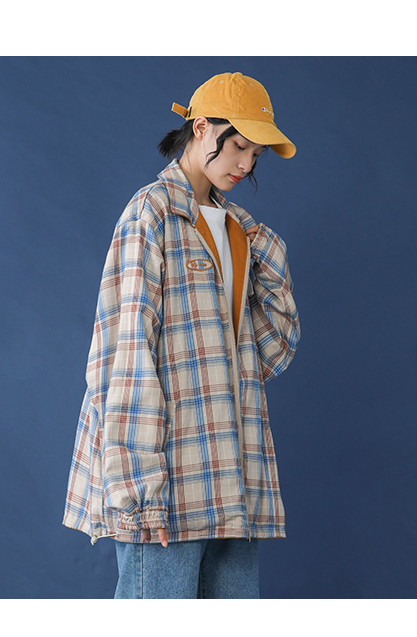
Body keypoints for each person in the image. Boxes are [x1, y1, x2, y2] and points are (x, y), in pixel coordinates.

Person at [62, 72, 301, 598]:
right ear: (200, 128)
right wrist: (139, 490)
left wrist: (264, 247)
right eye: (238, 146)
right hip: (165, 479)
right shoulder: (151, 213)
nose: (246, 164)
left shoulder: (239, 230)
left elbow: (268, 349)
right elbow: (124, 353)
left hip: (233, 473)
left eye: (256, 154)